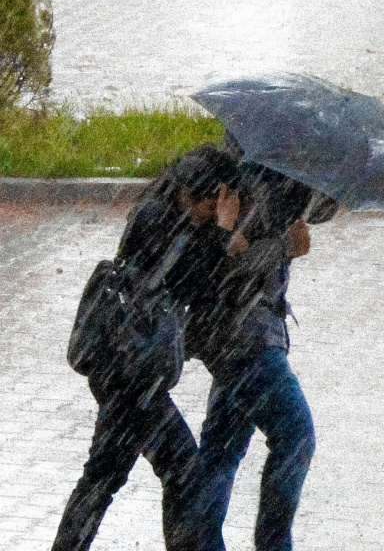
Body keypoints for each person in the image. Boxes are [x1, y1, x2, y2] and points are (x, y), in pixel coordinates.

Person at [54, 143, 245, 551]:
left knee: (106, 475)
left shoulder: (169, 215)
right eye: (213, 204)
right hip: (129, 373)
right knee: (179, 469)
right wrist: (223, 235)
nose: (213, 212)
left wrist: (220, 236)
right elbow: (198, 284)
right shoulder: (158, 220)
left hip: (124, 368)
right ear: (195, 193)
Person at [185, 145, 337, 551]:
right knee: (295, 434)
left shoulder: (281, 164)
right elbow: (224, 266)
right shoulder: (251, 175)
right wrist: (285, 246)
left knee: (222, 447)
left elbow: (317, 209)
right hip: (244, 337)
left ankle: (200, 542)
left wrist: (333, 174)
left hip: (241, 334)